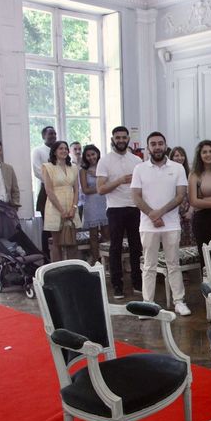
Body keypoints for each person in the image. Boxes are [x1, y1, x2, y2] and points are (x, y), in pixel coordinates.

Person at [131, 131, 191, 316]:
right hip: (148, 225)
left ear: (165, 146)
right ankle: (147, 304)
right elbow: (135, 196)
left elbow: (180, 195)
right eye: (153, 144)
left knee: (173, 264)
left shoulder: (177, 168)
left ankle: (179, 301)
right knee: (149, 265)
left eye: (160, 143)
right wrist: (152, 215)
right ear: (148, 147)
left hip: (171, 224)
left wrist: (160, 213)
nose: (157, 147)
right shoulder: (139, 168)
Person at [96, 126, 143, 300]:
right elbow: (100, 189)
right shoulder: (105, 161)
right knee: (115, 247)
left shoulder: (137, 160)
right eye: (118, 138)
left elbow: (142, 186)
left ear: (128, 139)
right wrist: (119, 181)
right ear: (112, 139)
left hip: (134, 207)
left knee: (136, 246)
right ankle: (117, 285)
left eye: (124, 137)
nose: (121, 140)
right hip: (115, 209)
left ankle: (138, 282)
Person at [41, 141, 81, 262]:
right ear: (54, 151)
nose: (64, 151)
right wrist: (62, 211)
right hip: (55, 206)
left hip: (71, 205)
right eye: (60, 148)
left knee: (72, 242)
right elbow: (49, 191)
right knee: (57, 243)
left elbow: (76, 189)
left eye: (65, 148)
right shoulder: (47, 167)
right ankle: (58, 273)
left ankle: (73, 270)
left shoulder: (73, 167)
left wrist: (73, 207)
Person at [79, 144, 109, 263]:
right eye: (88, 155)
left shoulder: (104, 168)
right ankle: (96, 260)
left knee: (107, 233)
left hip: (104, 202)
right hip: (91, 204)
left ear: (97, 154)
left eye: (93, 154)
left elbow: (110, 184)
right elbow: (85, 190)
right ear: (85, 157)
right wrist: (101, 187)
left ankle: (108, 261)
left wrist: (101, 183)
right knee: (93, 235)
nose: (91, 157)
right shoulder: (83, 171)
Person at [32, 125, 57, 259]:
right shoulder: (38, 151)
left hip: (60, 191)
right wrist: (51, 181)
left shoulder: (59, 150)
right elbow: (37, 170)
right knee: (47, 226)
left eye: (54, 134)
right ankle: (46, 257)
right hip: (45, 191)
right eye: (50, 134)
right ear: (43, 136)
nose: (53, 136)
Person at [169, 147, 195, 247]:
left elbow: (196, 195)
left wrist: (190, 211)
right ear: (171, 157)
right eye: (176, 155)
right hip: (173, 213)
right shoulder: (168, 173)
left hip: (189, 212)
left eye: (182, 155)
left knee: (191, 243)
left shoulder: (191, 173)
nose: (180, 158)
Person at [70, 141, 85, 218]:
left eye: (79, 149)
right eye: (75, 149)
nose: (78, 151)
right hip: (74, 199)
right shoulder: (68, 166)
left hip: (86, 198)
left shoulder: (86, 164)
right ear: (70, 151)